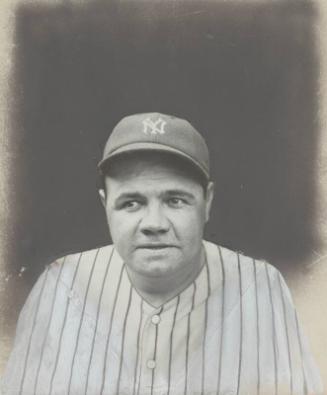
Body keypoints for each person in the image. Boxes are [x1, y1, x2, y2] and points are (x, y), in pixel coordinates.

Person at [0, 113, 323, 395]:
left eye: (175, 200)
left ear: (207, 202)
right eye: (131, 203)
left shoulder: (261, 287)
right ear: (105, 205)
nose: (154, 224)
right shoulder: (61, 285)